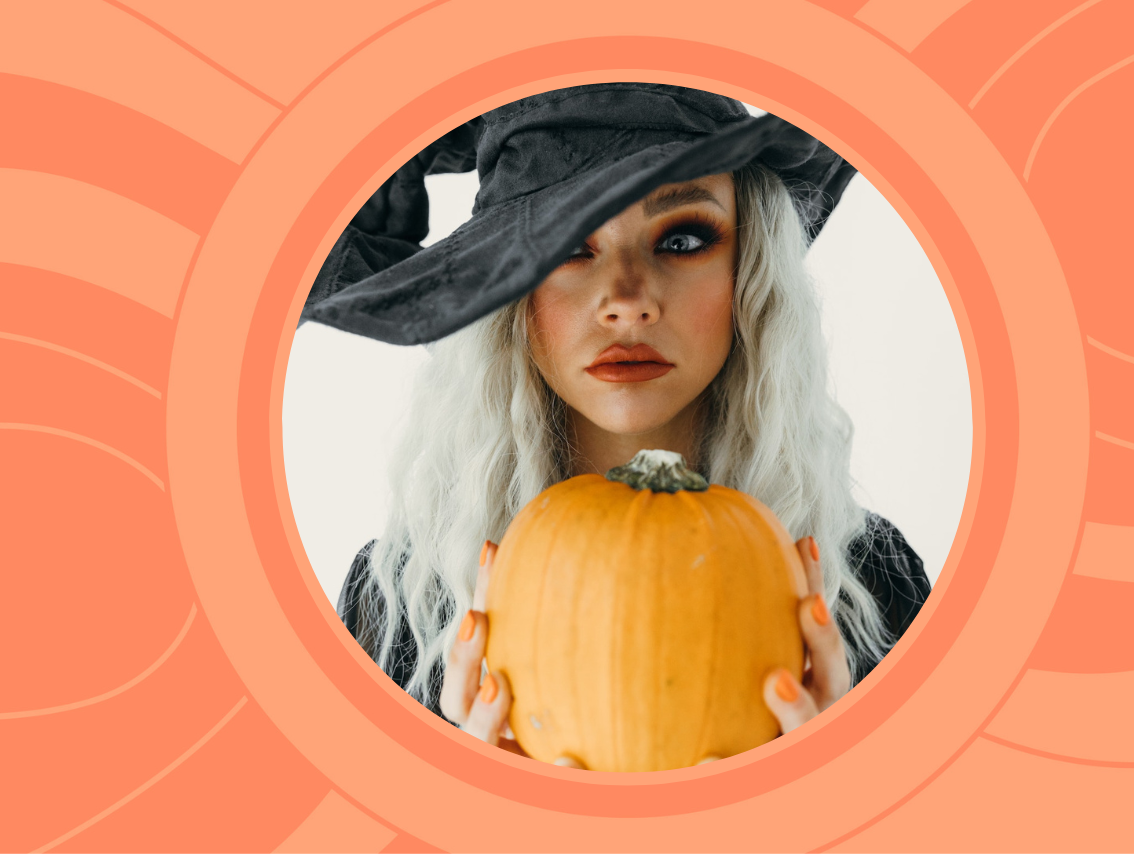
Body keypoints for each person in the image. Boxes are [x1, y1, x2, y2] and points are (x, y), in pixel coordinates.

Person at [300, 83, 931, 767]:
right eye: (570, 245)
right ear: (507, 291)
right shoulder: (398, 609)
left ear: (748, 271)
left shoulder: (873, 589)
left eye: (683, 238)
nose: (627, 302)